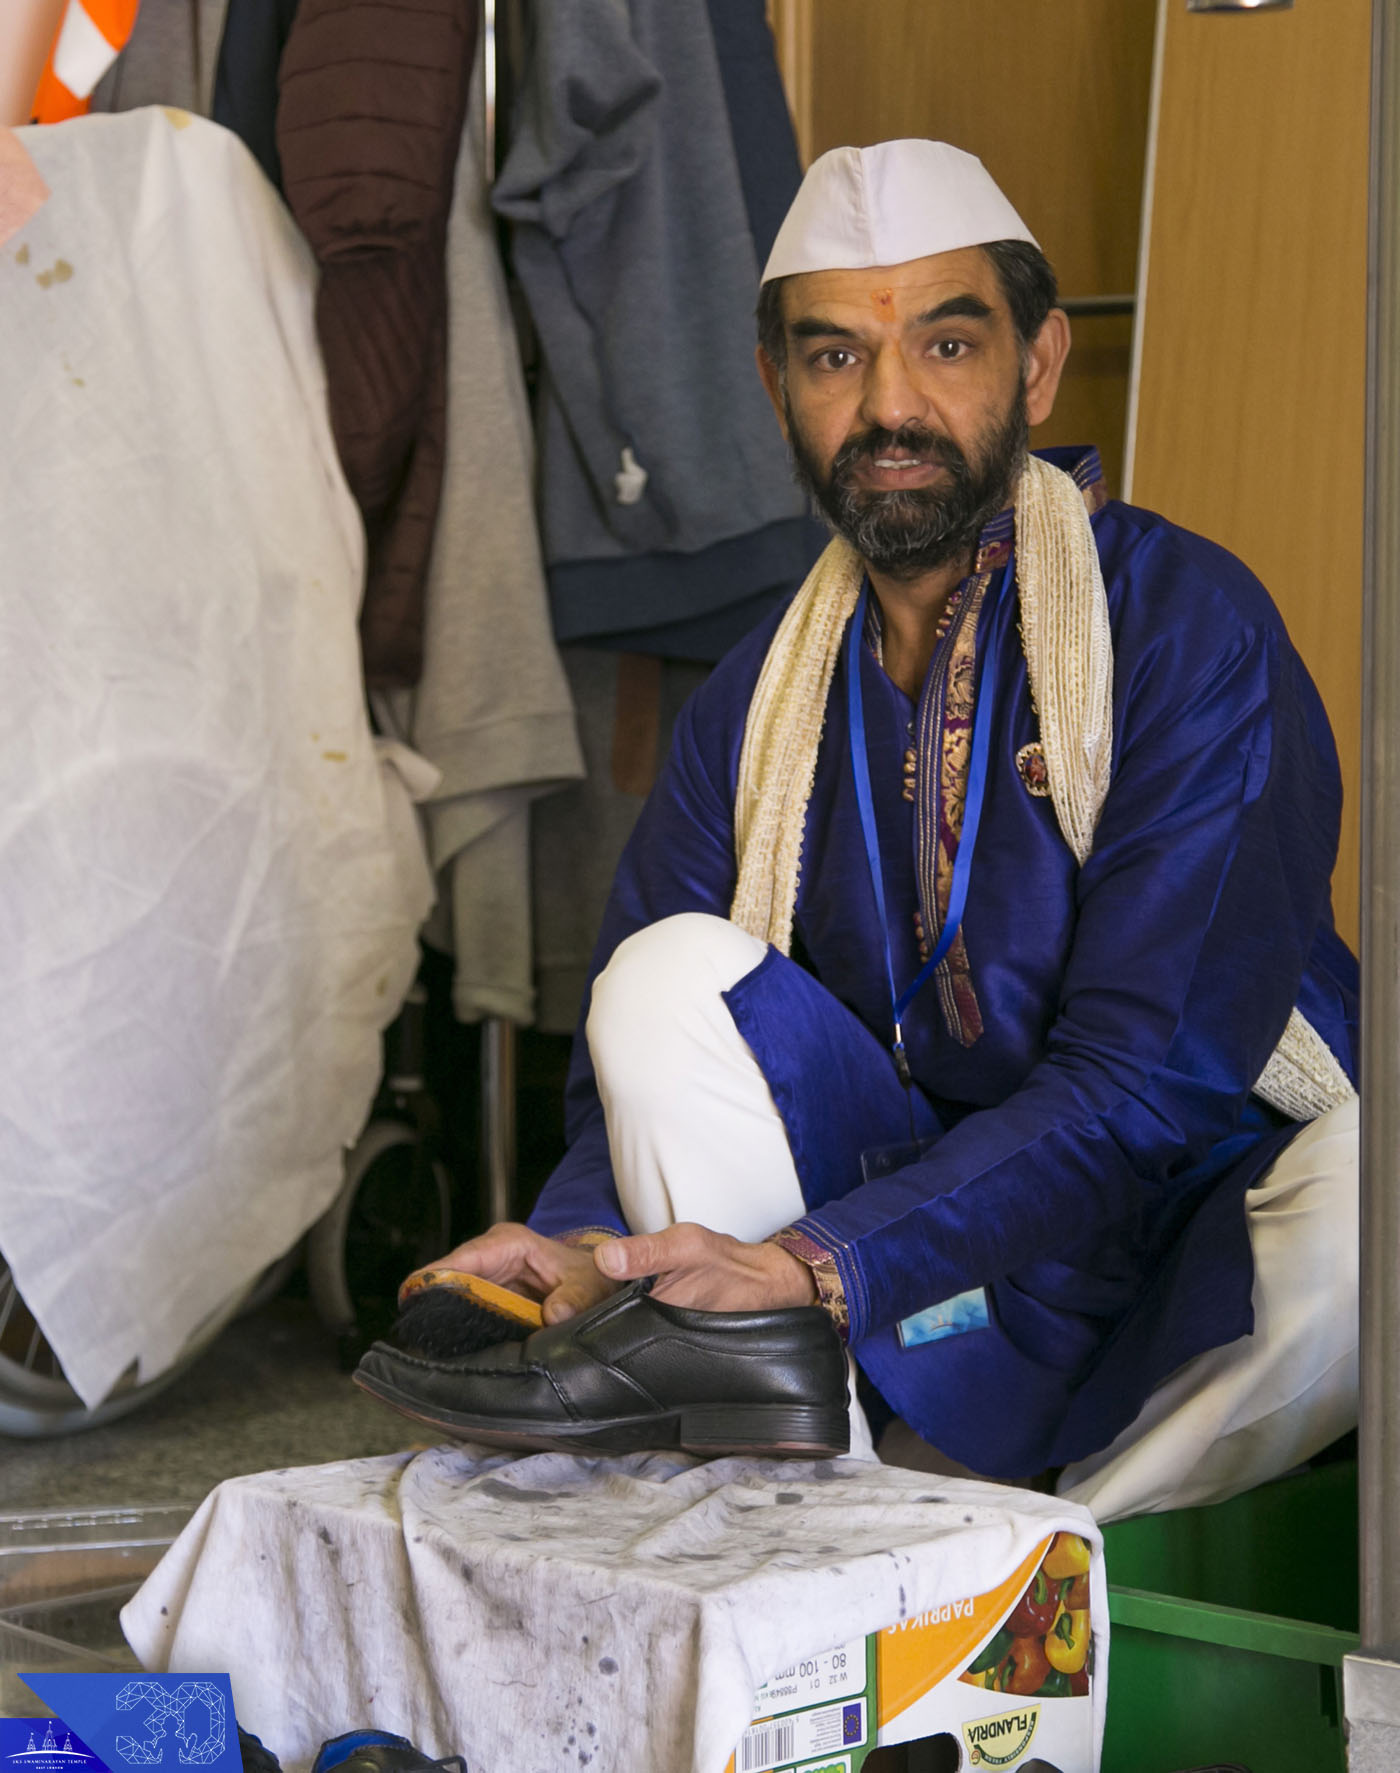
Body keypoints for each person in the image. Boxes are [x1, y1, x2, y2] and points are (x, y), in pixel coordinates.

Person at [427, 140, 1359, 1516]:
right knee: (663, 982)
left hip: (1179, 1209)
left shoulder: (1184, 626)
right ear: (775, 388)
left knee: (1372, 1215)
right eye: (833, 358)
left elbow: (1150, 1083)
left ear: (1037, 367)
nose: (891, 404)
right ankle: (830, 1479)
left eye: (946, 343)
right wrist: (577, 1248)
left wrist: (821, 1264)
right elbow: (625, 1084)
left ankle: (1020, 1544)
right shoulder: (755, 700)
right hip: (892, 1218)